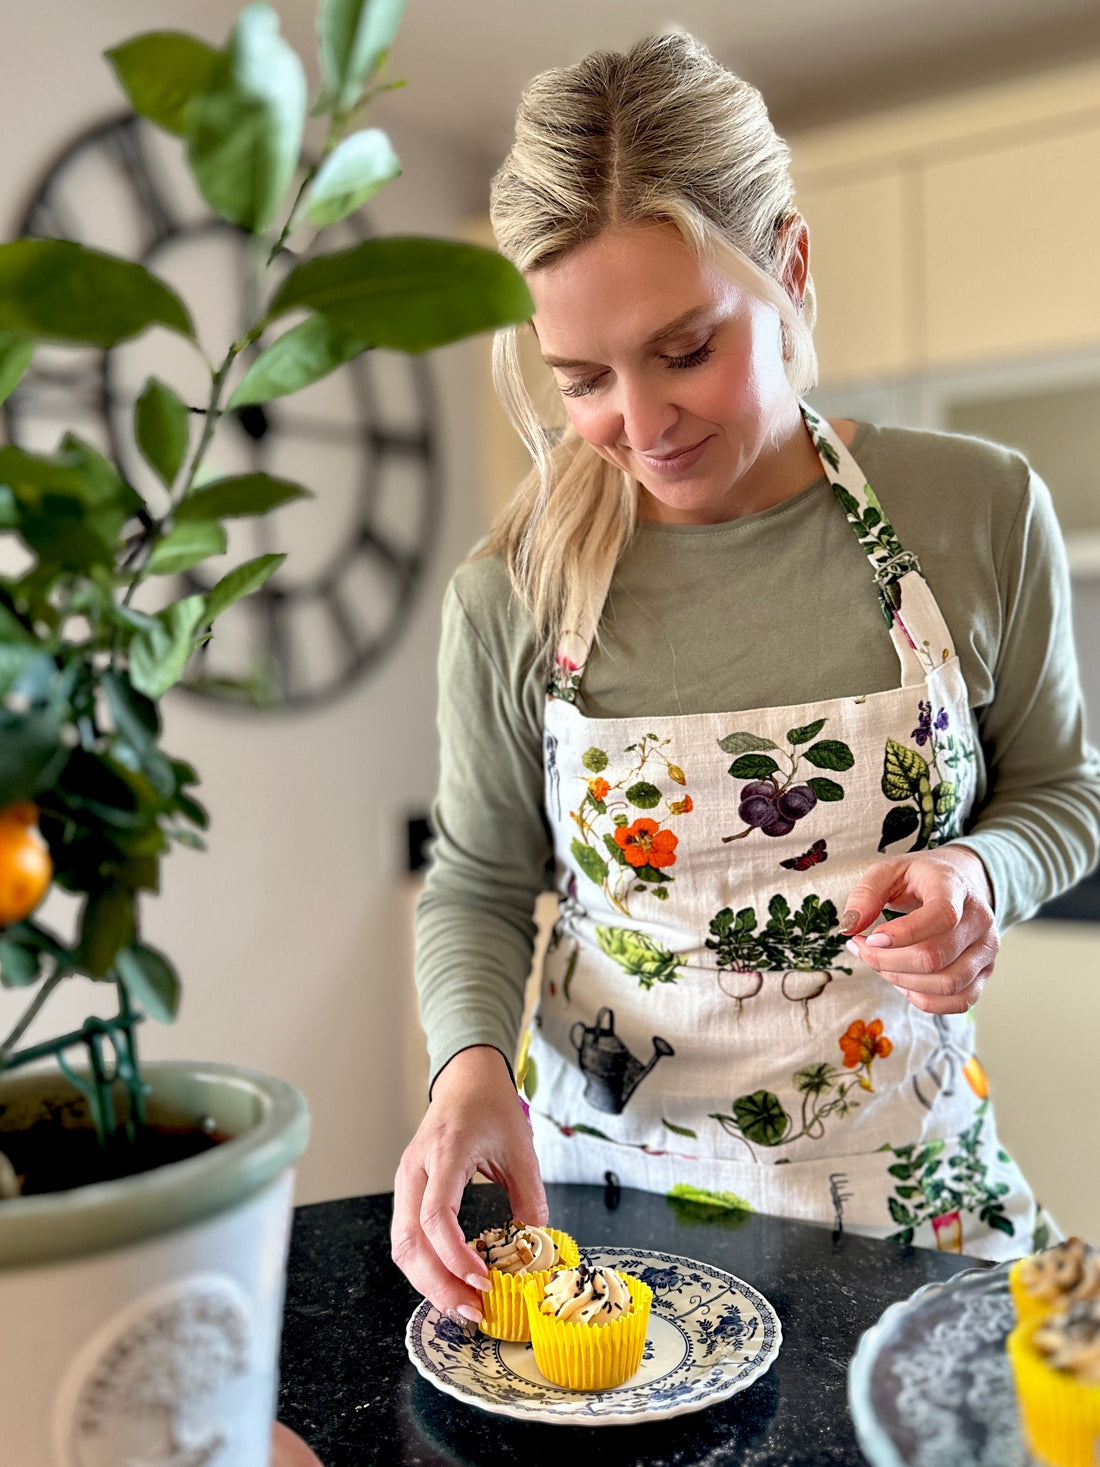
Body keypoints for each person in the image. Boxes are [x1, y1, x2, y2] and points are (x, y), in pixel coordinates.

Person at [392, 31, 1100, 1321]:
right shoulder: (513, 593)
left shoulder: (977, 511)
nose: (640, 427)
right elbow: (483, 880)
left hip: (913, 1211)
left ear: (790, 261)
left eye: (685, 349)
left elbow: (1065, 793)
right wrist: (465, 1068)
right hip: (608, 1226)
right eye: (583, 381)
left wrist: (977, 873)